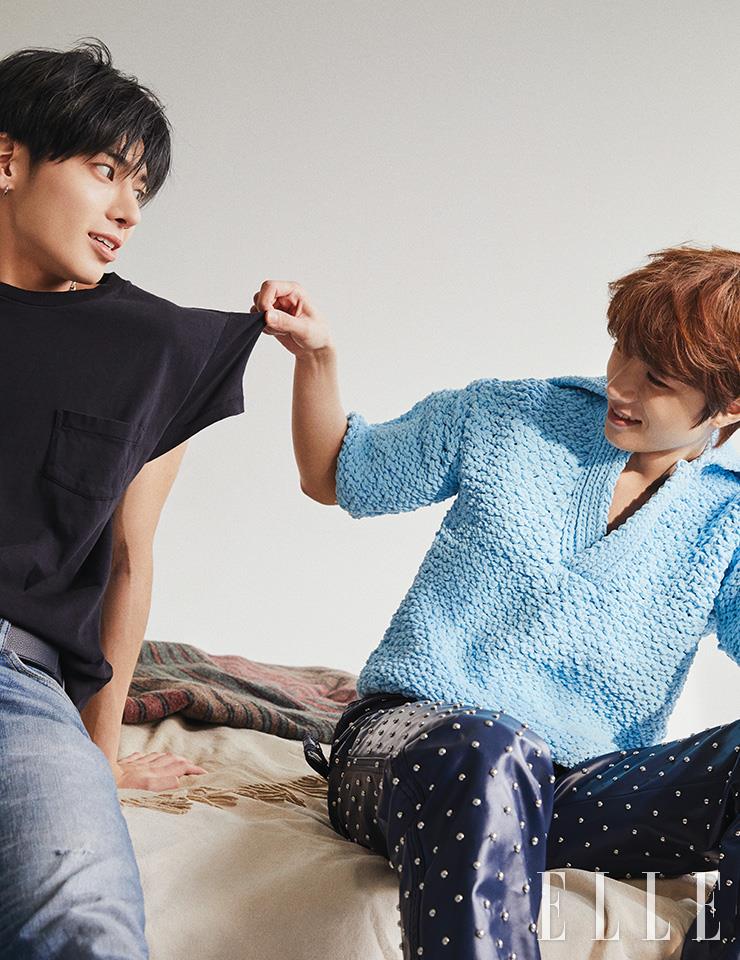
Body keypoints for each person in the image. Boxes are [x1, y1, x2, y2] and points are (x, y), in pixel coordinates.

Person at [253, 249, 740, 960]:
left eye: (656, 379)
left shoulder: (727, 517)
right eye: (622, 351)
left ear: (730, 405)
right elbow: (337, 475)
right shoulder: (509, 415)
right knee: (490, 749)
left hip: (577, 793)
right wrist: (316, 357)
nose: (620, 384)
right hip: (421, 749)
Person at [0, 38, 265, 958]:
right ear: (8, 160)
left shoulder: (157, 351)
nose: (127, 211)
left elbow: (127, 558)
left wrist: (99, 752)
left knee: (84, 920)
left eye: (141, 189)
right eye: (105, 170)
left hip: (12, 681)